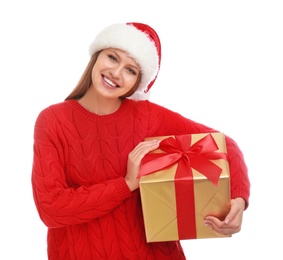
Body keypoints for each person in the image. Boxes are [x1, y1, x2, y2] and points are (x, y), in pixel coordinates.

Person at [31, 22, 250, 260]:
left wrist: (238, 197)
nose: (116, 73)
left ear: (138, 81)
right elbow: (51, 209)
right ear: (97, 55)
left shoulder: (147, 116)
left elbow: (224, 144)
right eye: (112, 58)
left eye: (131, 70)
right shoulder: (52, 121)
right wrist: (126, 184)